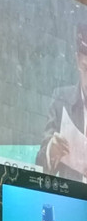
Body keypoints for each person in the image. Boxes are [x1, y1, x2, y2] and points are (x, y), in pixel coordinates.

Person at [36, 23, 87, 181]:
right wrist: (52, 149)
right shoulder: (61, 101)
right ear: (78, 60)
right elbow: (40, 165)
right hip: (72, 200)